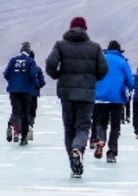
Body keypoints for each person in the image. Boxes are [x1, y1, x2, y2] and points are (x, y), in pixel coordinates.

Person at [45, 16, 108, 178]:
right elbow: (103, 69)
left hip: (66, 93)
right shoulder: (94, 48)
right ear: (85, 29)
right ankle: (78, 149)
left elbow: (50, 64)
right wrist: (92, 80)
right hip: (86, 93)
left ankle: (73, 164)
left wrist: (58, 76)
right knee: (83, 127)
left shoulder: (61, 45)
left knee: (69, 127)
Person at [90, 40, 134, 163]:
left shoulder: (100, 60)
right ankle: (111, 152)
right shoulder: (122, 61)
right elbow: (130, 81)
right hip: (117, 98)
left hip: (100, 97)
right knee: (115, 126)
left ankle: (100, 140)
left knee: (101, 122)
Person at [3, 42, 45, 146]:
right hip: (26, 90)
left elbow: (6, 74)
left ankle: (14, 127)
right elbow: (33, 75)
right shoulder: (30, 62)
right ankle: (24, 137)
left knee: (16, 111)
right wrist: (36, 85)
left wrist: (12, 82)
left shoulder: (13, 60)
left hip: (13, 90)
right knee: (26, 113)